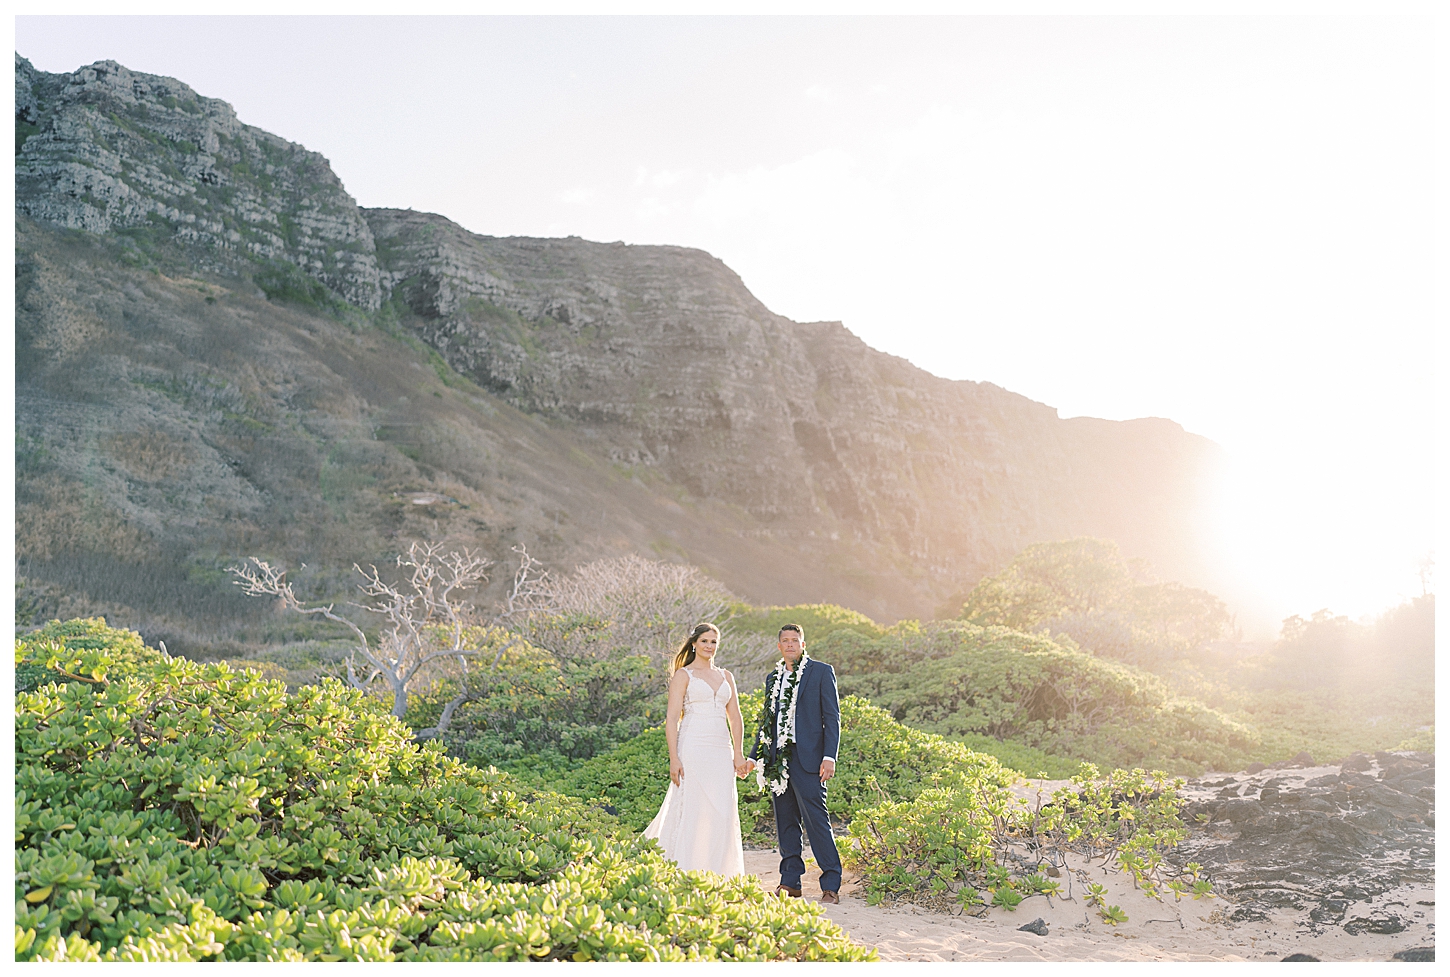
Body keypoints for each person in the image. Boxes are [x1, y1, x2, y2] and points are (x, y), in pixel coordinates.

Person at [642, 622, 753, 877]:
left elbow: (735, 718)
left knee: (722, 809)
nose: (709, 646)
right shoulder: (684, 675)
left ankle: (720, 872)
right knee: (695, 807)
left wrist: (738, 753)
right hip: (693, 746)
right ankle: (686, 871)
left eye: (714, 642)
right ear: (694, 643)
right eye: (705, 641)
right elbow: (671, 719)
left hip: (720, 748)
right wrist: (674, 758)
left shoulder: (726, 676)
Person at [750, 623, 844, 904]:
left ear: (804, 644)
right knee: (786, 822)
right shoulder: (772, 678)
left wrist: (830, 756)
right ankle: (790, 882)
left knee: (817, 822)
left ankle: (831, 884)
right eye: (785, 641)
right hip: (778, 761)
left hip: (811, 760)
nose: (790, 644)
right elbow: (767, 721)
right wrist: (755, 756)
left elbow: (832, 716)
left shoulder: (821, 672)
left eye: (795, 640)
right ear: (779, 647)